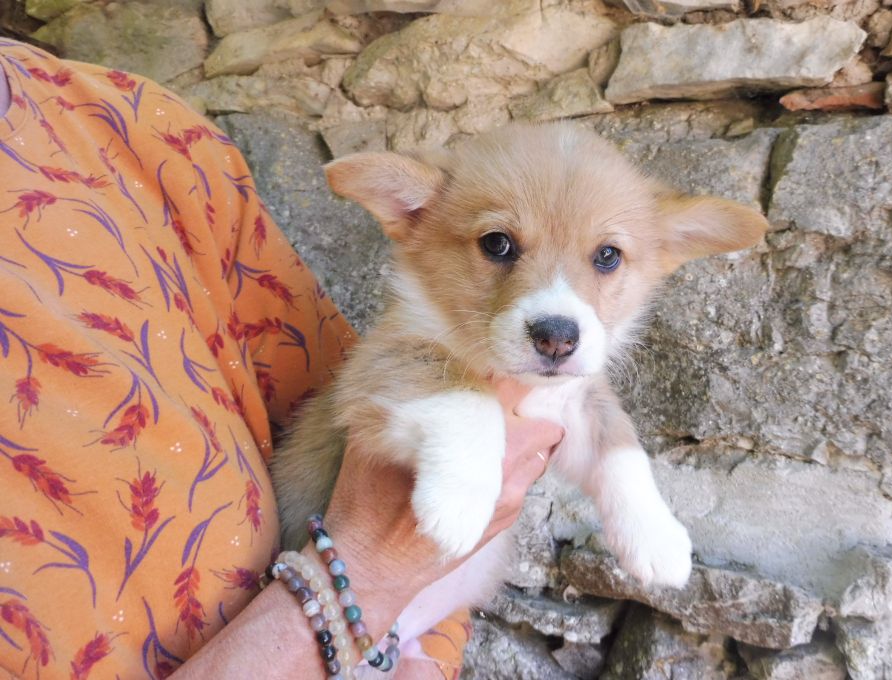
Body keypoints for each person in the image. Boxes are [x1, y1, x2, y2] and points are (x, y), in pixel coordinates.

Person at [0, 38, 563, 679]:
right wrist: (367, 578)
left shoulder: (142, 126)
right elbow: (400, 535)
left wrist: (424, 654)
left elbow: (376, 430)